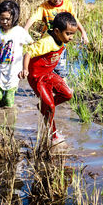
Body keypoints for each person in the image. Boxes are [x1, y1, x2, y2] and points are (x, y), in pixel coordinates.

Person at [19, 12, 78, 145]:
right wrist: (25, 69)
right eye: (68, 34)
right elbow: (28, 53)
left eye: (73, 34)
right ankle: (53, 135)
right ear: (57, 31)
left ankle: (43, 107)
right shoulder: (47, 42)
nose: (71, 37)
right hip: (37, 78)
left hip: (48, 73)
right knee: (51, 106)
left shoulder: (60, 39)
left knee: (68, 94)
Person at [24, 0, 88, 78]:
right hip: (47, 41)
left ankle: (61, 84)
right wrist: (25, 30)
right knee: (47, 65)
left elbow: (74, 20)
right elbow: (33, 18)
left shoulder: (67, 5)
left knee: (60, 65)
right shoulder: (44, 7)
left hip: (61, 42)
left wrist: (83, 32)